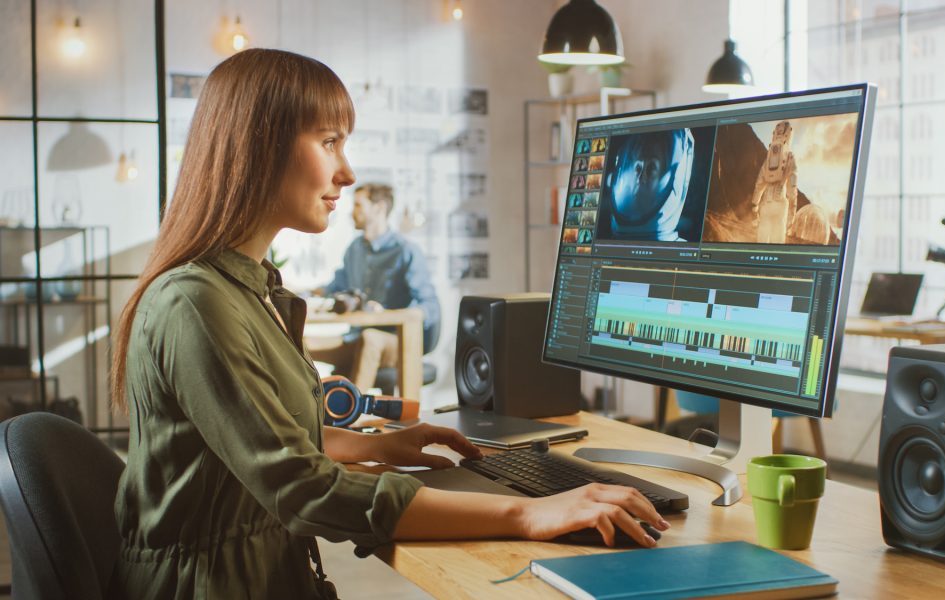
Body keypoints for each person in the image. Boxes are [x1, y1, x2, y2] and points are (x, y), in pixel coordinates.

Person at [109, 48, 667, 599]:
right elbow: (302, 490)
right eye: (329, 143)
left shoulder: (249, 286)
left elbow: (257, 444)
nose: (347, 173)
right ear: (258, 148)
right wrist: (527, 512)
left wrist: (372, 445)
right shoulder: (196, 303)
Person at [311, 183, 439, 391]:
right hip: (357, 338)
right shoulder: (354, 249)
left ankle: (353, 417)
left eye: (359, 206)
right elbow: (336, 287)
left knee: (371, 338)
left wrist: (389, 313)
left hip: (396, 342)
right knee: (300, 343)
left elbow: (429, 307)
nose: (352, 212)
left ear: (379, 208)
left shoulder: (406, 251)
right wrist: (298, 289)